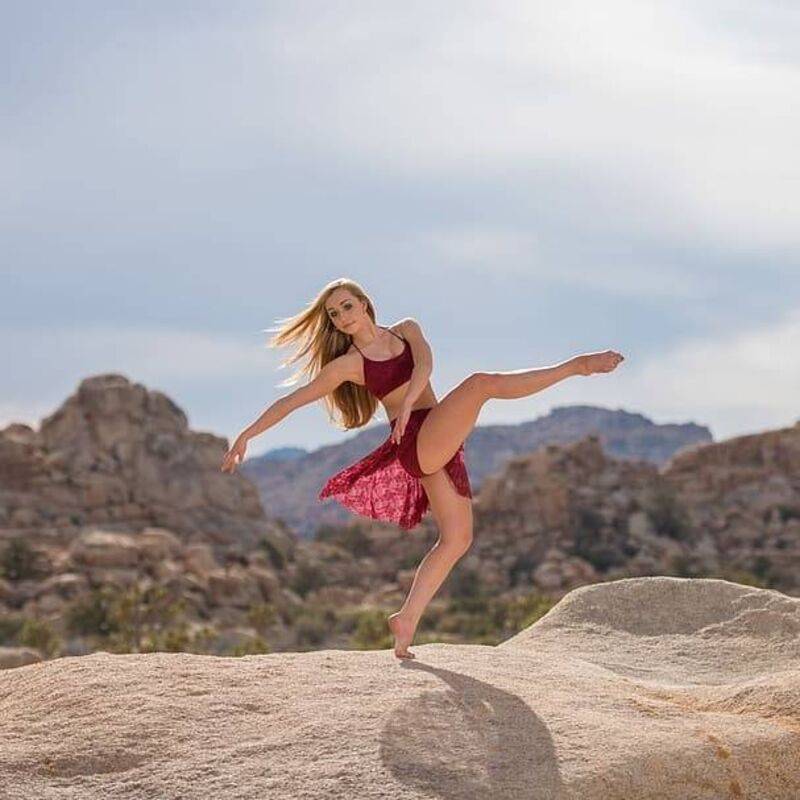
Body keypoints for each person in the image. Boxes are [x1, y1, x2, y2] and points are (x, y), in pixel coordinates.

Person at [221, 277, 624, 659]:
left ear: (364, 304)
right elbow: (292, 401)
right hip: (416, 441)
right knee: (481, 384)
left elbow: (425, 367)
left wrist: (410, 401)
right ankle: (577, 366)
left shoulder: (406, 330)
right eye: (334, 314)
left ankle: (406, 619)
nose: (342, 317)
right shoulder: (349, 365)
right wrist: (247, 435)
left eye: (346, 306)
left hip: (434, 432)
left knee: (457, 538)